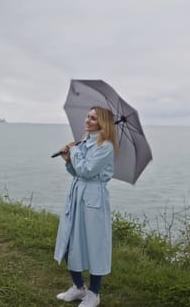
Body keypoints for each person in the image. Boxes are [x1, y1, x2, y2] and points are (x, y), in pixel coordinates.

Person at [53, 106, 118, 307]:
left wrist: (73, 151)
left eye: (93, 118)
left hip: (93, 198)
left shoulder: (106, 146)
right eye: (88, 116)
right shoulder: (85, 141)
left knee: (94, 245)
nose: (87, 120)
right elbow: (77, 172)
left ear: (103, 123)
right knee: (70, 241)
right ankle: (79, 287)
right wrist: (68, 161)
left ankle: (94, 294)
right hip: (76, 193)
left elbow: (88, 171)